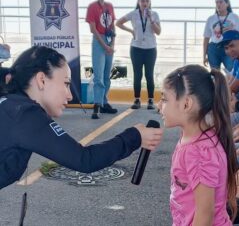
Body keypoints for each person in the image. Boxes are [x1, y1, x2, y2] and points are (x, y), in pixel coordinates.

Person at [0, 46, 163, 189]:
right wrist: (135, 136)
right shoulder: (24, 115)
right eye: (66, 83)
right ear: (42, 80)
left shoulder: (11, 106)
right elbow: (85, 160)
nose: (70, 95)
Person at [158, 64, 238, 225]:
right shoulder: (196, 138)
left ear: (186, 104)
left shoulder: (199, 152)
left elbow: (204, 215)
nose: (159, 105)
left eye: (165, 99)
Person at [116, 0, 161, 110]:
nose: (145, 3)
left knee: (149, 74)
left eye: (147, 1)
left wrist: (151, 20)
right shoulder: (134, 14)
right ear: (138, 2)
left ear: (150, 2)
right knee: (137, 74)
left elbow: (158, 32)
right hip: (136, 48)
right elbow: (118, 23)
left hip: (150, 48)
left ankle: (151, 100)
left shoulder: (155, 14)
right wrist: (131, 31)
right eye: (142, 1)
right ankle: (137, 100)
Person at [86, 0, 117, 119]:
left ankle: (104, 102)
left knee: (106, 75)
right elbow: (93, 29)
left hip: (109, 41)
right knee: (98, 75)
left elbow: (112, 26)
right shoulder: (92, 7)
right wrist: (104, 45)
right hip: (99, 42)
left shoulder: (110, 6)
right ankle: (97, 105)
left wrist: (112, 45)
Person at [203, 0, 239, 71]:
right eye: (216, 2)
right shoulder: (211, 19)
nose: (218, 4)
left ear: (227, 4)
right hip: (213, 48)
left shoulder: (234, 17)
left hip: (229, 47)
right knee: (215, 74)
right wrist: (204, 56)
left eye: (221, 2)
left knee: (231, 72)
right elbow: (206, 38)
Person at [220, 30, 239, 113]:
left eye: (232, 46)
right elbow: (230, 82)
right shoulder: (238, 58)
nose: (229, 51)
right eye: (226, 48)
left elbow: (233, 89)